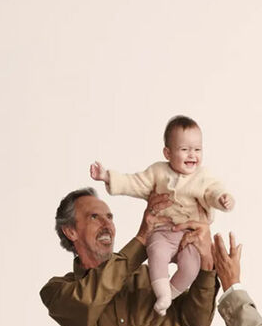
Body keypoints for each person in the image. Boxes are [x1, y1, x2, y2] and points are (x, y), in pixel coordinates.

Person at [40, 186, 219, 326]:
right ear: (71, 231)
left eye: (110, 217)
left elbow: (196, 322)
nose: (107, 225)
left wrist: (206, 264)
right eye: (94, 217)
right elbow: (85, 303)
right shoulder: (58, 290)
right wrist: (143, 240)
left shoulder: (151, 278)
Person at [90, 115, 235, 313]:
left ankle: (170, 296)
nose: (192, 155)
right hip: (163, 230)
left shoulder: (203, 176)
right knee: (156, 254)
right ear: (167, 153)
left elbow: (212, 192)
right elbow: (136, 183)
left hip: (190, 236)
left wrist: (222, 199)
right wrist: (107, 176)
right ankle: (162, 293)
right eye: (184, 149)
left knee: (191, 267)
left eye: (197, 149)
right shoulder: (158, 172)